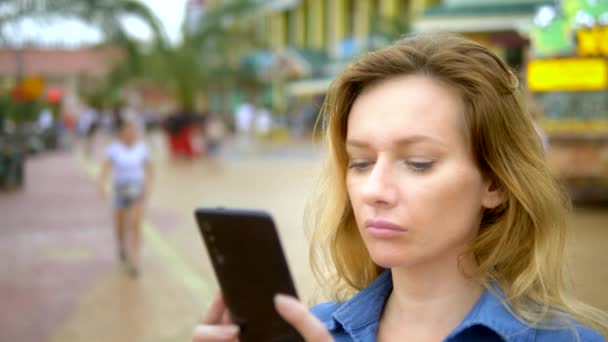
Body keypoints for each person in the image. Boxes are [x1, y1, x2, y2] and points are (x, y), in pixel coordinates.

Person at [192, 33, 608, 341]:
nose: (375, 190)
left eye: (418, 163)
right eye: (361, 162)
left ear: (495, 182)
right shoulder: (311, 331)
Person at [98, 118, 153, 277]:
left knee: (136, 225)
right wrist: (101, 185)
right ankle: (122, 246)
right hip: (120, 191)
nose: (129, 134)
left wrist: (147, 188)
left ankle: (135, 259)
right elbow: (105, 167)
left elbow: (150, 170)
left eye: (132, 130)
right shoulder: (114, 149)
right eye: (126, 130)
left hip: (137, 190)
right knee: (120, 226)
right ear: (122, 133)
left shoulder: (141, 148)